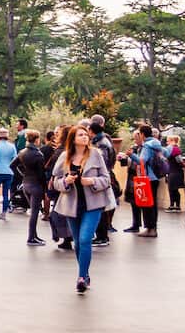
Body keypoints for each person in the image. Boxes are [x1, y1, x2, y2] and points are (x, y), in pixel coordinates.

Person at [51, 125, 112, 293]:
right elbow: (55, 182)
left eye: (86, 134)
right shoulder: (65, 156)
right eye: (80, 135)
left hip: (93, 204)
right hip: (72, 205)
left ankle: (82, 276)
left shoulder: (96, 154)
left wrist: (91, 181)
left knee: (85, 239)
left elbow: (106, 179)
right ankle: (85, 275)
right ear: (73, 138)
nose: (85, 137)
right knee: (78, 243)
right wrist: (66, 182)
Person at [127, 124, 165, 238]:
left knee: (147, 204)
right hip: (156, 177)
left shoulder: (147, 146)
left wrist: (131, 155)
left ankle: (150, 228)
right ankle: (152, 228)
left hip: (148, 178)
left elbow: (141, 161)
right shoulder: (156, 143)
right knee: (152, 204)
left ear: (143, 134)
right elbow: (166, 154)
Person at [11, 129, 46, 246]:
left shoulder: (22, 152)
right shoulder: (38, 154)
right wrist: (45, 188)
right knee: (34, 212)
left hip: (26, 183)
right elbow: (41, 175)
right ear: (36, 140)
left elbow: (12, 165)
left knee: (33, 211)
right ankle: (31, 237)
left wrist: (23, 173)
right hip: (36, 184)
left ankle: (34, 235)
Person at [88, 121, 118, 247]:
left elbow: (102, 162)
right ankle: (101, 235)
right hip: (104, 176)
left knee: (100, 207)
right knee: (101, 207)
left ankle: (102, 236)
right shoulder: (104, 141)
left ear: (92, 131)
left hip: (101, 178)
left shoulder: (101, 144)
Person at [165, 135, 185, 211]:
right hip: (175, 171)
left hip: (174, 171)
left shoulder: (174, 149)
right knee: (174, 189)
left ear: (172, 141)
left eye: (168, 141)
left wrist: (183, 164)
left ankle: (174, 205)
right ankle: (175, 205)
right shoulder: (174, 149)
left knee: (173, 189)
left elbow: (179, 160)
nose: (167, 142)